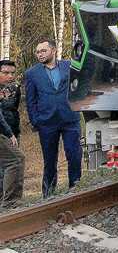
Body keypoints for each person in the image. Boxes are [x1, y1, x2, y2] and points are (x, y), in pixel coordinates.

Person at [24, 40, 82, 198]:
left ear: (53, 50)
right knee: (50, 160)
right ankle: (48, 194)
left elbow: (80, 86)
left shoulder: (69, 66)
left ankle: (75, 188)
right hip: (47, 122)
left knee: (74, 155)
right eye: (37, 52)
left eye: (43, 50)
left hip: (70, 119)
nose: (40, 54)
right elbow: (30, 101)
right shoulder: (32, 73)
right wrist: (36, 121)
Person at [0, 60, 24, 207]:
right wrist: (9, 133)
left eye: (12, 73)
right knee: (16, 160)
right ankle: (11, 203)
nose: (10, 76)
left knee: (5, 166)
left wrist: (14, 131)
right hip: (4, 132)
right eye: (5, 73)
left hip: (11, 130)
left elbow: (13, 110)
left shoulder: (14, 89)